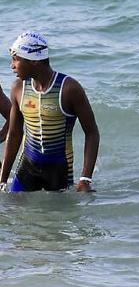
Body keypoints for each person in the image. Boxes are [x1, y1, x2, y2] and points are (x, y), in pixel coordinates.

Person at [0, 31, 100, 193]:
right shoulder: (18, 88)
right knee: (14, 215)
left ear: (33, 61)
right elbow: (14, 134)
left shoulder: (69, 89)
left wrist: (85, 179)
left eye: (16, 59)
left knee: (59, 217)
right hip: (26, 168)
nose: (12, 65)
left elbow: (92, 132)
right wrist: (2, 180)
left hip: (59, 171)